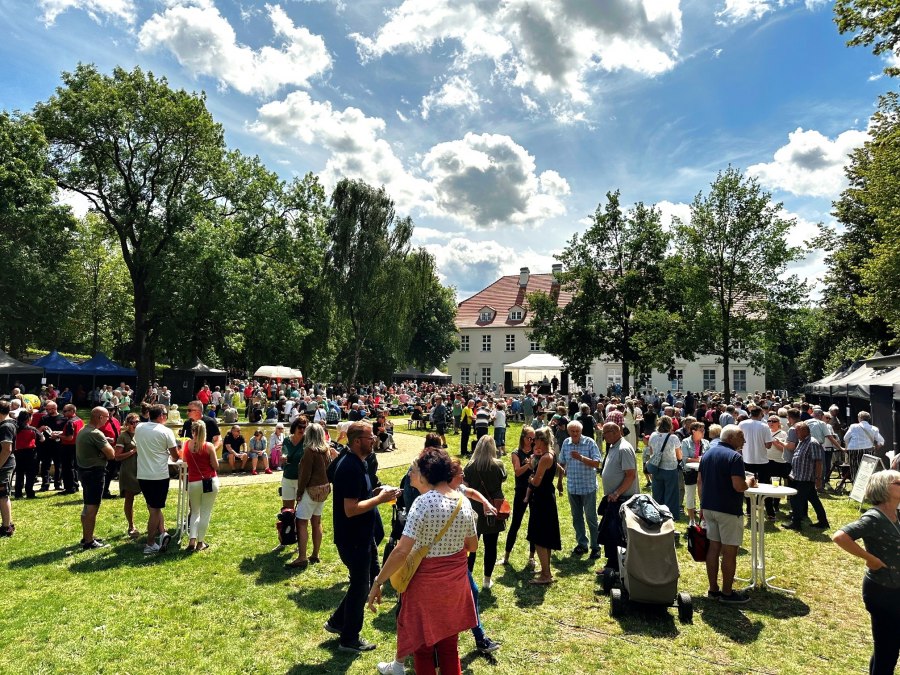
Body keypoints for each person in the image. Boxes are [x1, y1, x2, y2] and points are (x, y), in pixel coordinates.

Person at [367, 447, 478, 675]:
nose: (410, 474)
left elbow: (401, 551)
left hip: (425, 587)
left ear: (426, 473)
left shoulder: (422, 503)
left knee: (423, 648)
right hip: (455, 585)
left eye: (414, 469)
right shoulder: (463, 502)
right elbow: (473, 546)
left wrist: (378, 581)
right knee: (449, 648)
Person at [325, 422, 400, 653]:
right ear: (357, 441)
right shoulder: (350, 467)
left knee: (363, 581)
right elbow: (350, 509)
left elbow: (359, 496)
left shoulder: (359, 462)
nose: (375, 440)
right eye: (370, 437)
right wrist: (379, 499)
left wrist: (376, 493)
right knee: (361, 585)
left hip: (362, 536)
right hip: (353, 538)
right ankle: (349, 638)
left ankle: (337, 622)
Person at [832, 470, 900, 675]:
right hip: (882, 591)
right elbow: (840, 537)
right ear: (883, 488)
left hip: (895, 589)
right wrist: (870, 559)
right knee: (887, 651)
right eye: (898, 482)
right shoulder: (874, 517)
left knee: (888, 647)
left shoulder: (895, 514)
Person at [698, 424, 756, 604]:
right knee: (730, 552)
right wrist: (749, 482)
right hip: (728, 509)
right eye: (741, 437)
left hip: (709, 507)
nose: (744, 441)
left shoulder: (707, 453)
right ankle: (727, 593)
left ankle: (713, 589)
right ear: (731, 438)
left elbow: (700, 481)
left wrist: (702, 505)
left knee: (713, 548)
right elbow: (738, 486)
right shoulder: (735, 457)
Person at [286, 423, 334, 568]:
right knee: (317, 521)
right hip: (323, 489)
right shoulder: (326, 450)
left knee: (301, 522)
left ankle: (302, 557)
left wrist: (299, 492)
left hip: (311, 490)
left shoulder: (309, 451)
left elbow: (305, 475)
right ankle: (315, 554)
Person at [463, 435, 507, 589]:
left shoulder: (470, 466)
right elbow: (503, 479)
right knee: (491, 546)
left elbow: (465, 485)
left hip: (474, 509)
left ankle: (468, 577)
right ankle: (487, 580)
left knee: (471, 547)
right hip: (492, 508)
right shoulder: (498, 465)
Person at [134, 405, 179, 555]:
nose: (166, 416)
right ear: (161, 416)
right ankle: (150, 543)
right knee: (155, 510)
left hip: (143, 475)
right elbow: (175, 456)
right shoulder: (166, 431)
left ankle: (162, 532)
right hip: (159, 476)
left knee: (152, 506)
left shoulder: (139, 427)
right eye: (165, 414)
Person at [596, 422, 638, 576]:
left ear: (615, 431)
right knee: (609, 534)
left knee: (617, 535)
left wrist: (617, 493)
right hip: (614, 500)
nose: (604, 436)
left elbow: (630, 475)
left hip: (622, 500)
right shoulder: (614, 446)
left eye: (605, 433)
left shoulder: (624, 448)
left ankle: (617, 567)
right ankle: (612, 564)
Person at [557, 419, 602, 559]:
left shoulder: (589, 442)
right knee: (577, 518)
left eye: (577, 431)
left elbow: (597, 463)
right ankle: (582, 544)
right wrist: (559, 481)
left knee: (591, 518)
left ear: (581, 431)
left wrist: (581, 458)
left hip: (588, 487)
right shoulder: (566, 443)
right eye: (572, 431)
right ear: (568, 432)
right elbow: (562, 463)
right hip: (573, 486)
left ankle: (596, 546)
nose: (575, 433)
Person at [74, 407, 117, 549]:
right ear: (99, 417)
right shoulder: (96, 433)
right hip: (95, 473)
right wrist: (105, 446)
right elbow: (111, 454)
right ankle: (89, 541)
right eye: (107, 417)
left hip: (84, 471)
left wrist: (102, 446)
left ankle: (87, 536)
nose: (108, 420)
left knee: (87, 506)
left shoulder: (83, 431)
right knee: (92, 508)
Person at [527, 427, 562, 584]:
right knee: (546, 536)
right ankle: (545, 569)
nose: (534, 442)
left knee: (539, 538)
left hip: (542, 499)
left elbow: (536, 482)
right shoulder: (551, 454)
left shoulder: (545, 458)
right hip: (547, 497)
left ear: (541, 440)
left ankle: (546, 574)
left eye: (535, 439)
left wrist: (531, 479)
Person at [783, 422, 829, 531]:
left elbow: (818, 462)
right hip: (798, 476)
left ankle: (796, 523)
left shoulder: (812, 443)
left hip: (806, 478)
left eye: (797, 430)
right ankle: (823, 522)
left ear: (805, 431)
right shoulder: (801, 442)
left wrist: (818, 479)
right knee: (814, 500)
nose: (795, 432)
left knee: (796, 500)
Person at [501, 425, 536, 568]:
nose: (532, 441)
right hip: (521, 491)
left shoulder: (536, 451)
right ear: (523, 438)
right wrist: (528, 465)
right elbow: (517, 472)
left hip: (534, 490)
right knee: (516, 522)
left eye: (534, 439)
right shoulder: (516, 453)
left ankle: (532, 557)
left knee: (534, 523)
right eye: (529, 438)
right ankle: (506, 556)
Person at [183, 419, 219, 552]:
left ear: (192, 431)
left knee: (194, 512)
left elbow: (184, 461)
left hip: (193, 481)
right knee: (205, 513)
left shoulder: (187, 445)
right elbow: (216, 465)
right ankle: (200, 542)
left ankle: (192, 540)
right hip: (209, 480)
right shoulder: (209, 446)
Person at [647, 415, 683, 520]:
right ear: (670, 425)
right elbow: (679, 456)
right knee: (671, 494)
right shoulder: (673, 438)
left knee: (657, 494)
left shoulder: (653, 436)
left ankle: (657, 515)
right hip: (670, 469)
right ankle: (670, 516)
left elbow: (651, 452)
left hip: (656, 468)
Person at [113, 413, 142, 538]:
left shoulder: (142, 434)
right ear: (127, 424)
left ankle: (157, 524)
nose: (135, 425)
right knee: (129, 498)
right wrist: (132, 451)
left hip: (143, 469)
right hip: (129, 471)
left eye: (137, 422)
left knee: (150, 498)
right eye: (132, 422)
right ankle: (131, 526)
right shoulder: (123, 437)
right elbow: (117, 456)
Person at [680, 422, 709, 524]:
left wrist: (699, 460)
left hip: (703, 472)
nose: (703, 432)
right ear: (693, 431)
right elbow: (685, 459)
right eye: (701, 430)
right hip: (690, 472)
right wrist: (699, 460)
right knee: (690, 495)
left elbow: (708, 457)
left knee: (704, 496)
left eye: (704, 430)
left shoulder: (706, 442)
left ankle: (703, 519)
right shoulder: (685, 442)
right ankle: (691, 519)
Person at [844, 411, 885, 480]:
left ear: (859, 418)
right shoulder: (874, 428)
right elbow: (881, 441)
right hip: (868, 450)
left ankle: (855, 483)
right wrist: (876, 448)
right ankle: (866, 483)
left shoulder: (853, 426)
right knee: (867, 469)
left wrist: (848, 445)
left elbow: (845, 438)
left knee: (854, 468)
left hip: (854, 449)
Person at [280, 417, 307, 510]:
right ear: (294, 427)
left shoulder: (307, 441)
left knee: (302, 512)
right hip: (287, 478)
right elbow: (284, 453)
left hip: (302, 480)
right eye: (300, 427)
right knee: (287, 510)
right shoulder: (286, 440)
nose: (302, 430)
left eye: (304, 427)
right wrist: (283, 458)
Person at [13, 410, 40, 499]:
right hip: (30, 453)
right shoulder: (32, 429)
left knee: (19, 473)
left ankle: (18, 493)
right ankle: (29, 492)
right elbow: (42, 439)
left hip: (17, 452)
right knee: (30, 474)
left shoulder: (15, 428)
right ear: (28, 419)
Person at [0, 401, 17, 537]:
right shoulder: (7, 423)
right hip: (4, 463)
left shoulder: (6, 426)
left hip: (4, 465)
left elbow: (7, 449)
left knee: (2, 495)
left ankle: (7, 527)